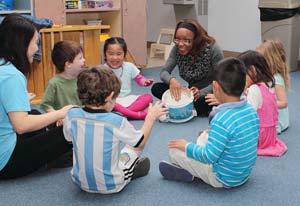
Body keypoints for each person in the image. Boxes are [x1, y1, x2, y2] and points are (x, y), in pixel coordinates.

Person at [63, 66, 167, 194]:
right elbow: (140, 141)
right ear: (110, 96)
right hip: (111, 185)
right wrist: (150, 117)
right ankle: (131, 170)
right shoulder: (116, 121)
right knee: (132, 148)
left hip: (79, 181)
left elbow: (69, 141)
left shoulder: (71, 115)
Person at [159, 57, 260, 188]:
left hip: (221, 178)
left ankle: (191, 172)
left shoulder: (221, 119)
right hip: (244, 173)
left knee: (174, 152)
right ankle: (192, 168)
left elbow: (208, 156)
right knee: (205, 136)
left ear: (215, 86)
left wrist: (186, 146)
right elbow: (243, 136)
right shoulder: (251, 110)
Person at [0, 14, 73, 179]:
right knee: (69, 129)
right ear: (21, 44)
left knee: (35, 115)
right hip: (5, 161)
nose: (36, 48)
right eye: (34, 43)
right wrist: (61, 112)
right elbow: (21, 126)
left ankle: (56, 157)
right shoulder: (12, 75)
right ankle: (61, 158)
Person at [151, 19, 224, 116]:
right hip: (191, 93)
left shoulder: (213, 49)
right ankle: (190, 107)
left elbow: (222, 79)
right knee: (157, 88)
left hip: (210, 91)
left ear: (196, 39)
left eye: (186, 40)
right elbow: (164, 72)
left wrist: (201, 92)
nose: (180, 44)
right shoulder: (176, 49)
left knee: (207, 102)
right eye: (177, 39)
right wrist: (172, 80)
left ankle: (188, 106)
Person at [238, 50, 288, 156]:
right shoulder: (268, 84)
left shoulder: (254, 89)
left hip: (259, 137)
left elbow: (247, 115)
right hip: (271, 134)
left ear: (252, 71)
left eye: (243, 74)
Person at [104, 37, 154, 120]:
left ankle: (123, 114)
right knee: (105, 104)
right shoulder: (103, 70)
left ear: (124, 54)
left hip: (127, 99)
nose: (115, 57)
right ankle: (137, 115)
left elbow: (139, 78)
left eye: (118, 54)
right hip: (112, 101)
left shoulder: (129, 66)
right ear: (105, 55)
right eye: (111, 54)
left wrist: (145, 82)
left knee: (148, 97)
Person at [40, 40, 85, 125]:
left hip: (80, 121)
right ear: (68, 64)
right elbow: (45, 105)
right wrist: (57, 116)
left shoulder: (83, 79)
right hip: (62, 124)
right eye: (80, 58)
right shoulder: (54, 83)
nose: (84, 60)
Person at [256, 39, 290, 134]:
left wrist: (266, 103)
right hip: (268, 112)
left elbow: (283, 103)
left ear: (271, 61)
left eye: (261, 60)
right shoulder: (265, 74)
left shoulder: (276, 79)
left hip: (276, 119)